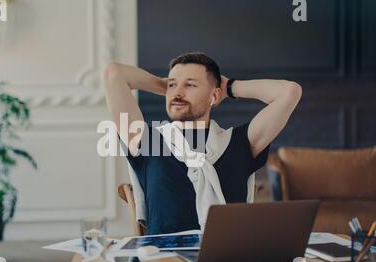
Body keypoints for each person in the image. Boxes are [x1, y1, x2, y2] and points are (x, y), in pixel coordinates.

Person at [102, 52, 302, 235]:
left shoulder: (240, 142)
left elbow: (289, 92)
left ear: (214, 96)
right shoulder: (147, 141)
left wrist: (230, 87)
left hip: (229, 261)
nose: (177, 92)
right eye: (173, 85)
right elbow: (114, 74)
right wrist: (166, 86)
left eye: (190, 85)